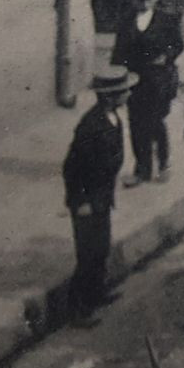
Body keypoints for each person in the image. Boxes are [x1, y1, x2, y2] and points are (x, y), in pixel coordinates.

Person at [62, 68, 132, 327]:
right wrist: (80, 202)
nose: (128, 94)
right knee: (87, 255)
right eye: (124, 91)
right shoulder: (90, 126)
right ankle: (77, 310)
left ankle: (96, 294)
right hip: (86, 201)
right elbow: (72, 168)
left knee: (101, 249)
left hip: (101, 197)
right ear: (111, 97)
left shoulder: (114, 118)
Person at [111, 0, 183, 187]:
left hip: (159, 79)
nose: (143, 3)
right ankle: (141, 169)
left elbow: (177, 45)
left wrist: (166, 57)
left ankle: (163, 164)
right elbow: (118, 51)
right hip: (134, 79)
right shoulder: (126, 20)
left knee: (155, 123)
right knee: (135, 123)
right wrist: (118, 74)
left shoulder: (167, 20)